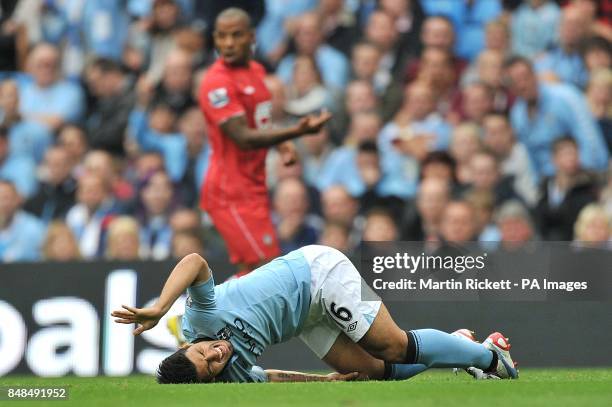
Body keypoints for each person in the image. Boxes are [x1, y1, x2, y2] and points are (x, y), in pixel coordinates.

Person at [111, 245, 518, 383]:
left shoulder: (197, 319)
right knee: (371, 373)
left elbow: (196, 261)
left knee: (391, 346)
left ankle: (490, 358)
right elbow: (269, 377)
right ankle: (462, 346)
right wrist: (324, 380)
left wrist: (160, 306)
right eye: (212, 367)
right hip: (306, 318)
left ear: (188, 347)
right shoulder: (230, 378)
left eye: (203, 354)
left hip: (319, 272)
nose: (217, 355)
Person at [198, 8, 331, 273]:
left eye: (236, 35)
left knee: (258, 269)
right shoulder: (216, 84)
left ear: (252, 37)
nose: (229, 43)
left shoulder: (257, 72)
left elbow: (260, 121)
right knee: (264, 269)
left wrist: (282, 145)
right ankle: (201, 312)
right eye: (222, 36)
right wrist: (297, 132)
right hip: (229, 192)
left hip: (255, 188)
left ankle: (218, 313)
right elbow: (243, 138)